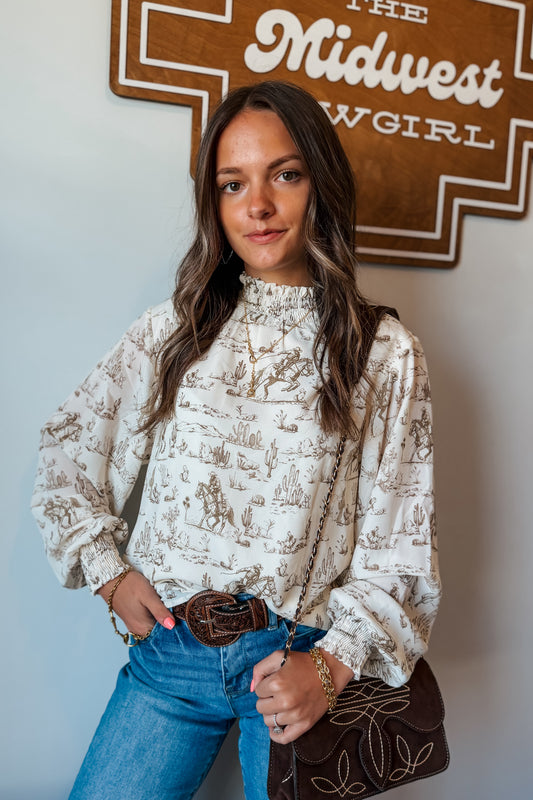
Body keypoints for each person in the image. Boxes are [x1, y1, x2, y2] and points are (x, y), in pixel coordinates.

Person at [31, 81, 441, 800]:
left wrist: (331, 667)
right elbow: (68, 447)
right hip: (170, 657)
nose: (257, 205)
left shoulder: (384, 353)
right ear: (212, 203)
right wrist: (108, 569)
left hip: (293, 669)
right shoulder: (173, 331)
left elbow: (399, 547)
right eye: (231, 183)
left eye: (284, 174)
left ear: (321, 183)